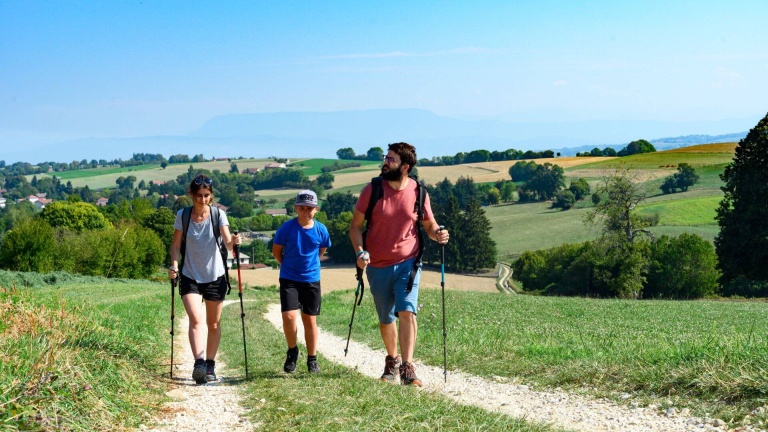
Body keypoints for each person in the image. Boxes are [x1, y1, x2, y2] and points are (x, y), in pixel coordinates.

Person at [349, 142, 450, 386]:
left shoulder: (419, 191)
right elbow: (355, 227)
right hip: (377, 264)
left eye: (391, 159)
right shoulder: (371, 190)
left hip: (409, 262)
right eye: (386, 157)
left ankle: (407, 367)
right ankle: (392, 360)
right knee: (386, 318)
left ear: (405, 167)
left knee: (407, 310)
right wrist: (360, 252)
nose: (386, 162)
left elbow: (429, 224)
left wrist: (439, 234)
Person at [168, 174, 241, 384]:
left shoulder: (219, 215)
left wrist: (235, 241)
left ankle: (210, 365)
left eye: (206, 195)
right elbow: (175, 246)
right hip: (190, 274)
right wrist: (174, 266)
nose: (202, 200)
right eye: (199, 195)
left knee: (214, 324)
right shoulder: (183, 216)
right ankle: (198, 363)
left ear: (211, 195)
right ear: (191, 195)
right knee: (195, 319)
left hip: (215, 276)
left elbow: (228, 244)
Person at [272, 190, 331, 374]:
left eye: (310, 208)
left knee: (309, 319)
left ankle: (312, 359)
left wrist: (310, 266)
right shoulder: (286, 228)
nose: (306, 211)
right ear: (296, 208)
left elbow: (321, 250)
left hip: (311, 279)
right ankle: (292, 351)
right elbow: (276, 252)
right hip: (289, 278)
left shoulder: (321, 230)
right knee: (289, 317)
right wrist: (286, 266)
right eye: (302, 208)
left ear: (316, 209)